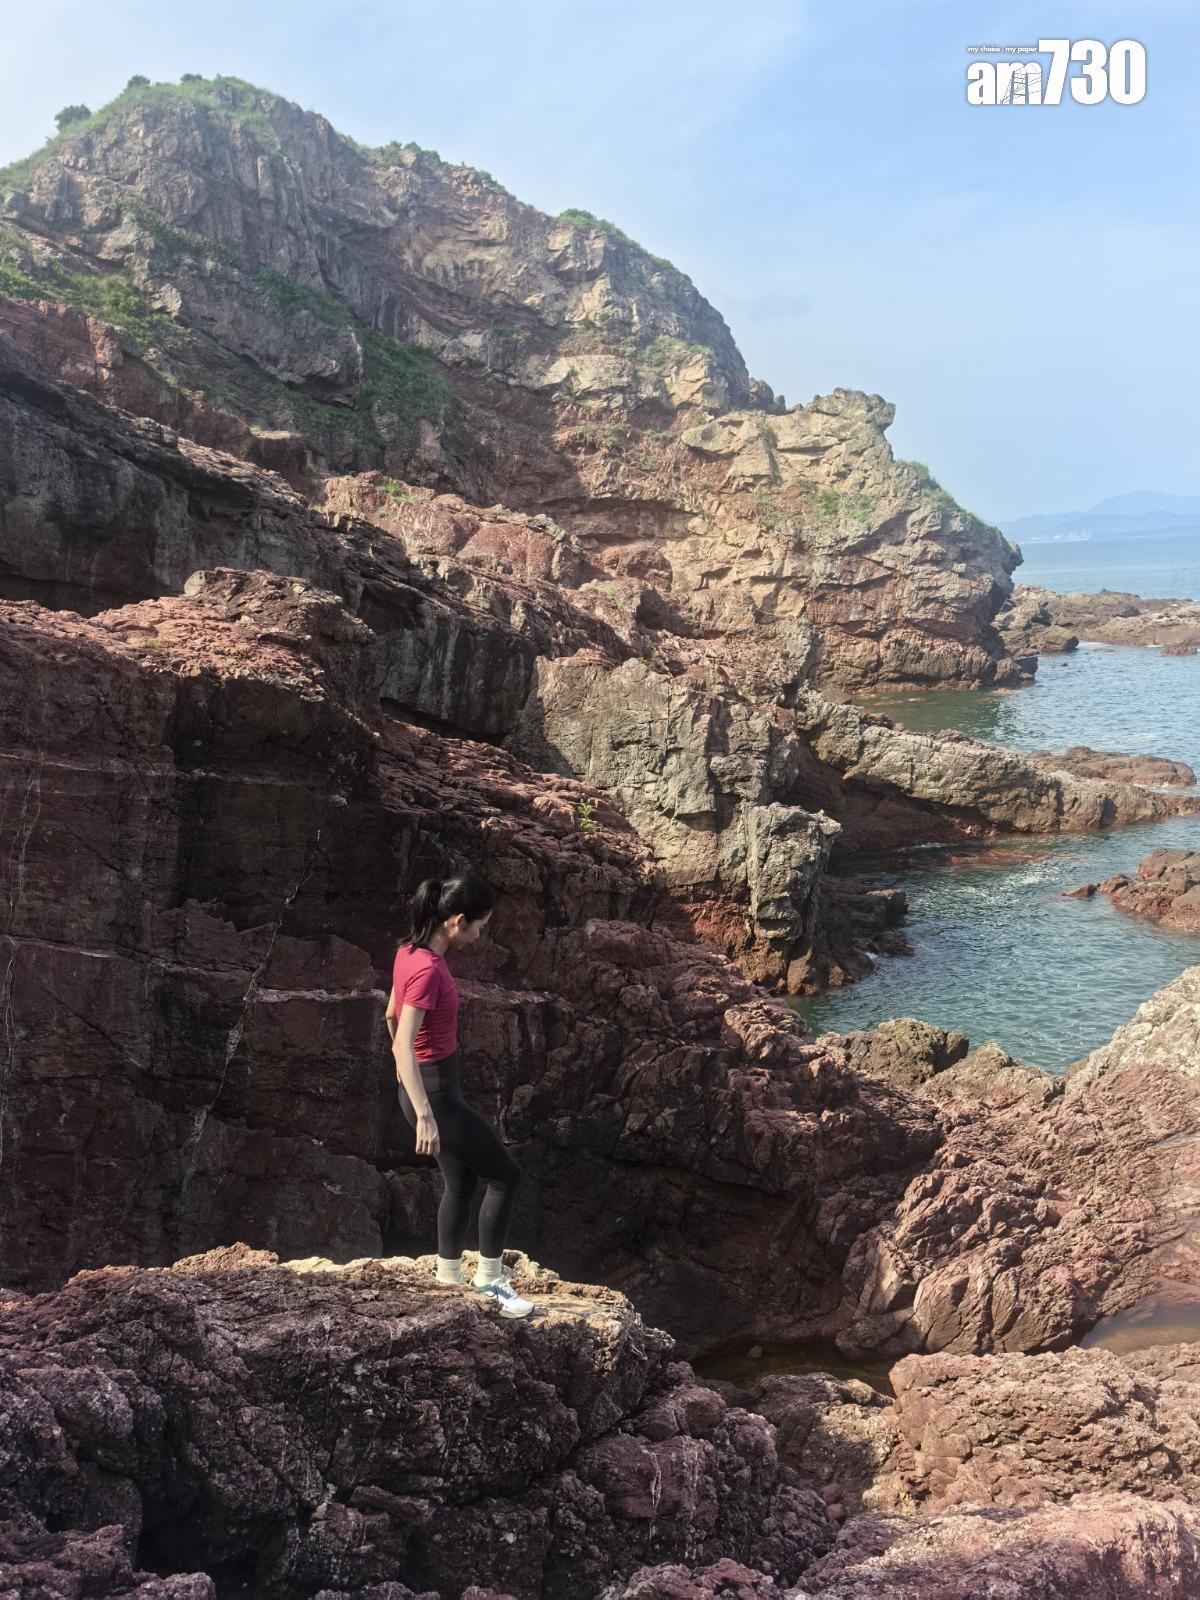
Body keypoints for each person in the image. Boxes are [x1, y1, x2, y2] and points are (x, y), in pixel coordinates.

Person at [386, 869, 534, 1319]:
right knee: (505, 1176)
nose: (479, 936)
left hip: (423, 1091)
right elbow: (400, 1039)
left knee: (462, 1181)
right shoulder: (428, 970)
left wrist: (408, 1091)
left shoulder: (407, 953)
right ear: (458, 921)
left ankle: (448, 1276)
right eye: (480, 927)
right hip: (436, 1097)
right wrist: (426, 1112)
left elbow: (390, 1016)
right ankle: (490, 1282)